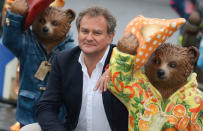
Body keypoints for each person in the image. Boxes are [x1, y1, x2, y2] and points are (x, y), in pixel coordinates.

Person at [20, 6, 128, 131]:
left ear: (110, 37)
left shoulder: (124, 61)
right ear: (78, 32)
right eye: (85, 31)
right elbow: (46, 106)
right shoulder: (64, 60)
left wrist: (119, 67)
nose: (89, 38)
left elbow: (149, 52)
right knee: (29, 130)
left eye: (97, 33)